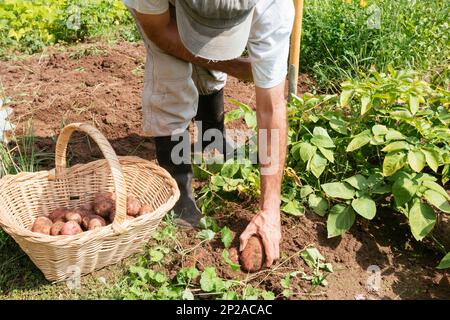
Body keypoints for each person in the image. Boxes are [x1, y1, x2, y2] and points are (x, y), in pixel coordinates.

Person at [123, 0, 294, 267]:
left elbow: (271, 109)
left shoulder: (274, 8)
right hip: (163, 13)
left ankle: (210, 137)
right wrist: (235, 66)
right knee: (171, 78)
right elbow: (159, 31)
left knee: (213, 64)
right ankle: (179, 190)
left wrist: (270, 210)